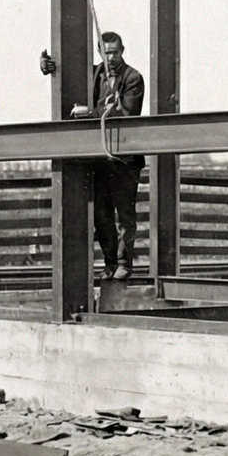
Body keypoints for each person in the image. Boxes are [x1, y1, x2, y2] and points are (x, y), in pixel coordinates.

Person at [70, 29, 146, 281]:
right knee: (101, 215)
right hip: (100, 158)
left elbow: (127, 113)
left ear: (122, 51)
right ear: (100, 52)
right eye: (106, 52)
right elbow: (66, 79)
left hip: (124, 160)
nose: (110, 57)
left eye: (115, 52)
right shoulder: (93, 75)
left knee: (125, 214)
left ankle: (124, 264)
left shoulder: (133, 78)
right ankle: (110, 263)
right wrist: (48, 67)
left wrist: (92, 113)